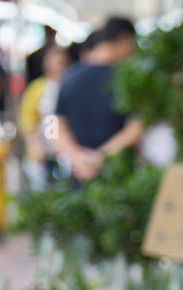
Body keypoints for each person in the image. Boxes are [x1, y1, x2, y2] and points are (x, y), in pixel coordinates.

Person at [53, 16, 142, 181]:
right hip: (119, 178)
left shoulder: (69, 76)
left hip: (76, 176)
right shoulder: (129, 79)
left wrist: (76, 157)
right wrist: (100, 157)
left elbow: (53, 125)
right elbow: (136, 128)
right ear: (125, 38)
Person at [18, 43, 68, 188]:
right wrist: (35, 144)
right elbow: (27, 120)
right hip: (42, 155)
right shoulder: (37, 88)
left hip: (64, 154)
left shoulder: (69, 85)